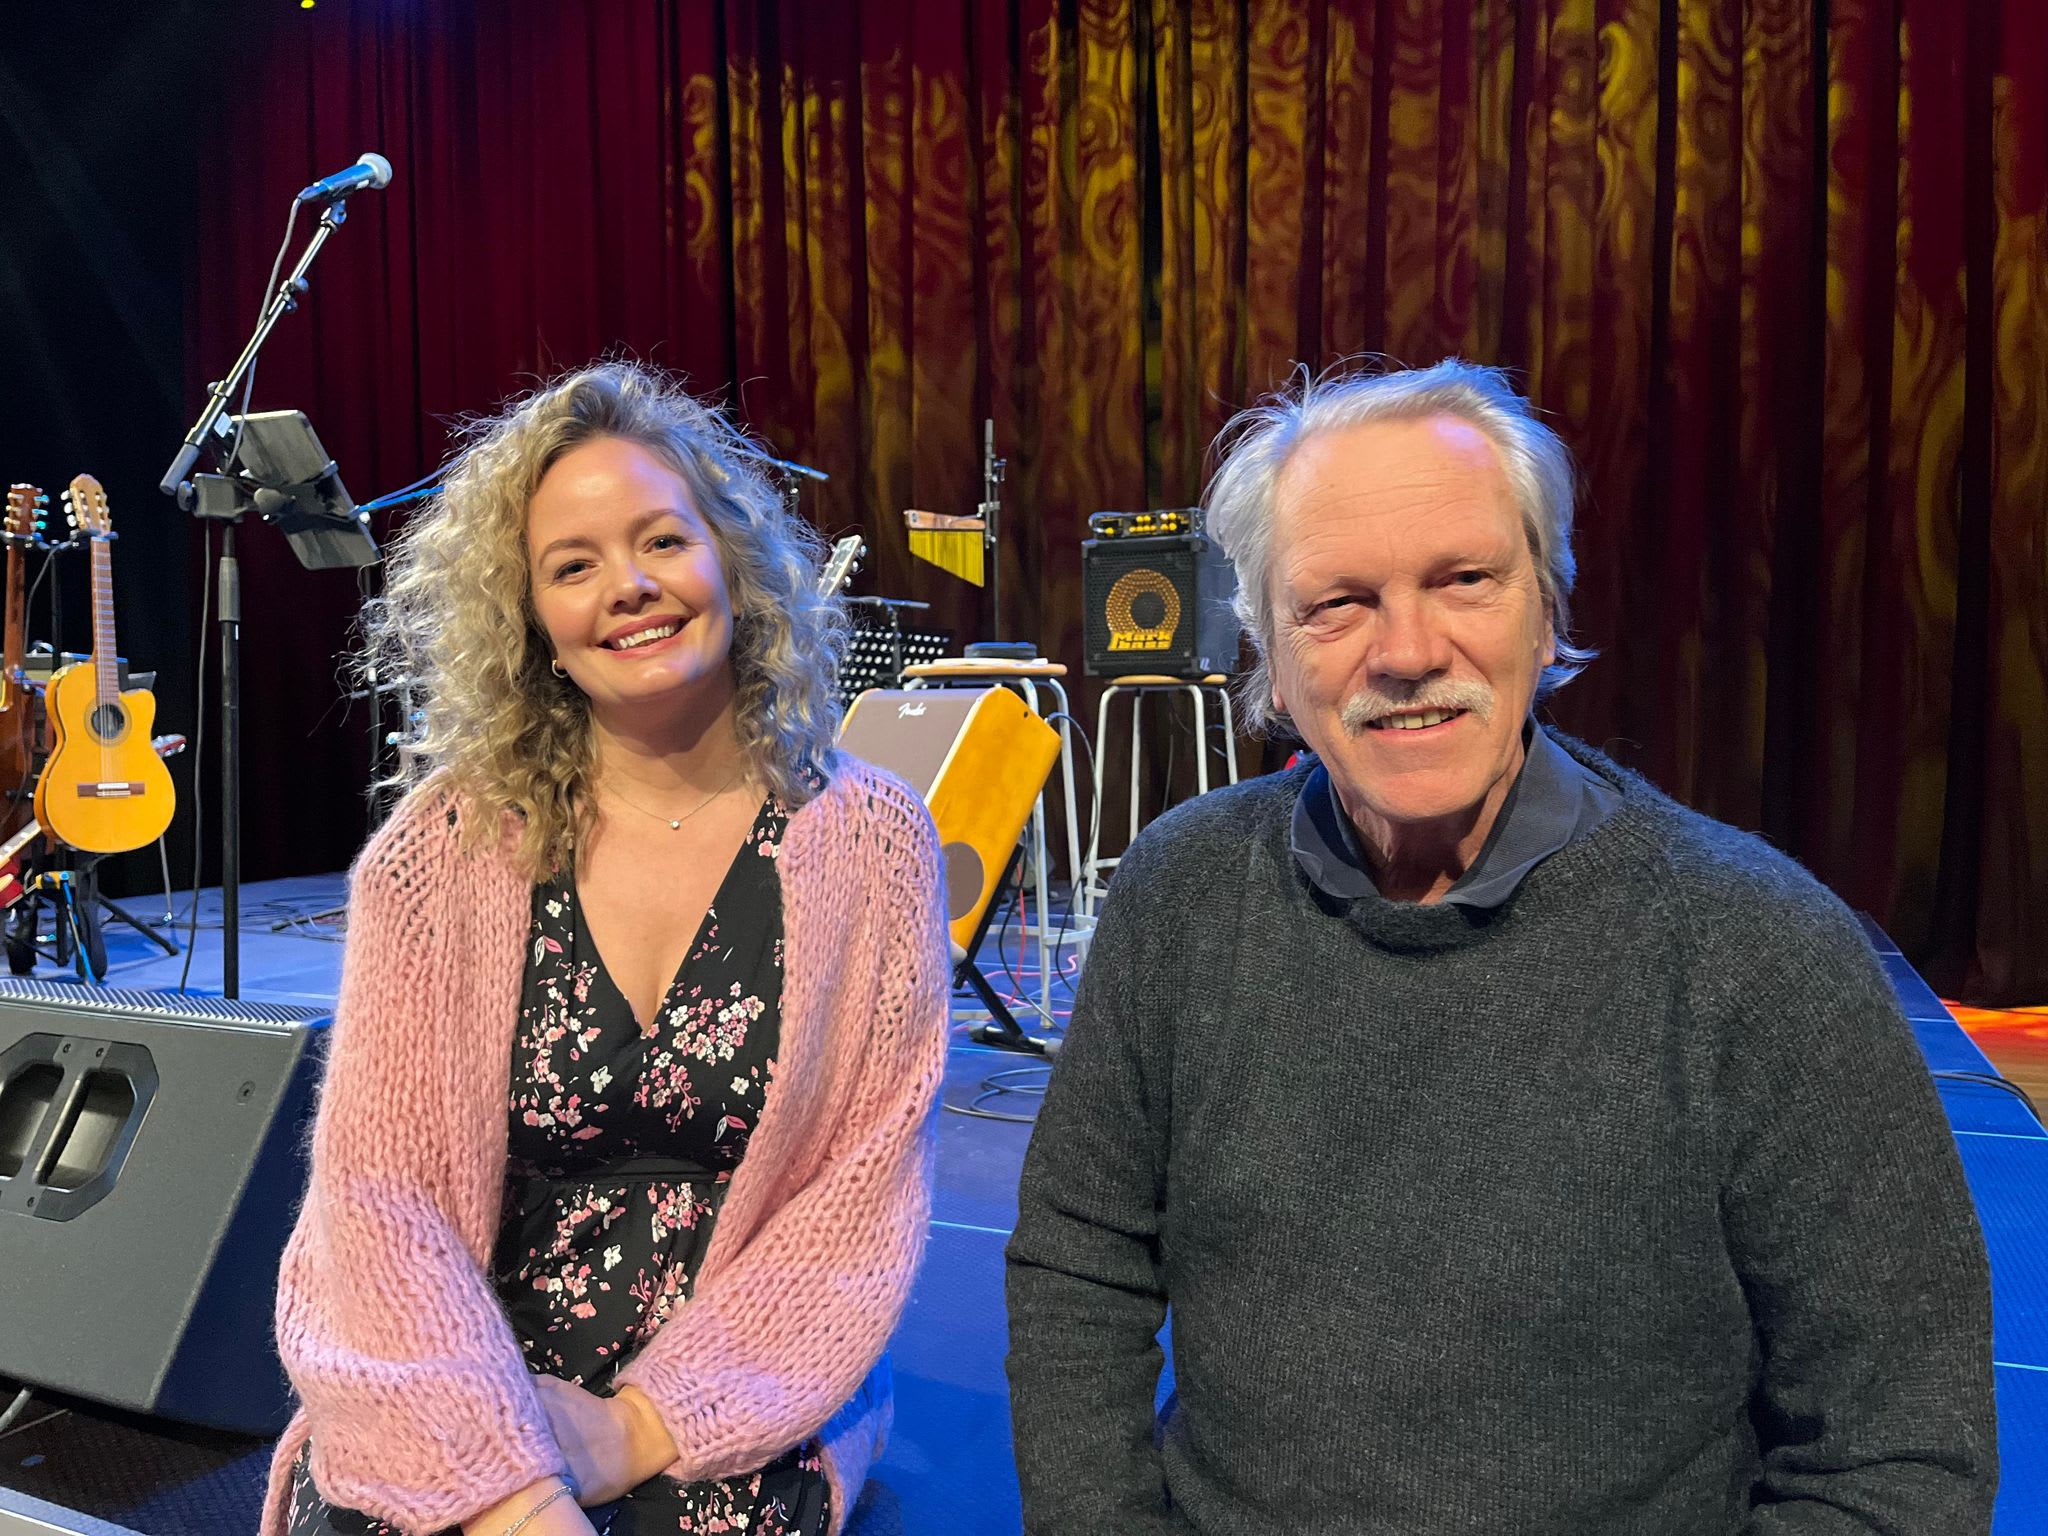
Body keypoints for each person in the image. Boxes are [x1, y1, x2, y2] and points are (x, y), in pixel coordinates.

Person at [1005, 359, 1997, 1533]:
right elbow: (1078, 1262)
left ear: (1547, 608)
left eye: (1462, 579)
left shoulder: (1759, 952)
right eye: (1337, 602)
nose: (1405, 651)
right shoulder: (1181, 891)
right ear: (1268, 648)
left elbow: (1897, 1458)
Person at [259, 361, 950, 1536]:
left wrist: (637, 1429)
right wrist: (510, 1491)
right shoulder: (439, 852)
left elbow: (855, 1203)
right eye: (571, 566)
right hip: (465, 1373)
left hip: (743, 1385)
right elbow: (378, 1200)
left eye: (661, 541)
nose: (626, 586)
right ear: (530, 621)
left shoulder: (873, 842)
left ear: (732, 559)